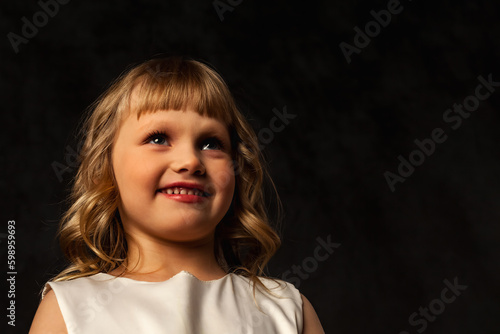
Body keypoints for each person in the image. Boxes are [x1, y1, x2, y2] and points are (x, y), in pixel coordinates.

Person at [29, 56, 325, 333]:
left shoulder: (287, 310)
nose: (191, 161)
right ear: (104, 165)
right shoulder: (69, 310)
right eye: (158, 138)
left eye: (211, 143)